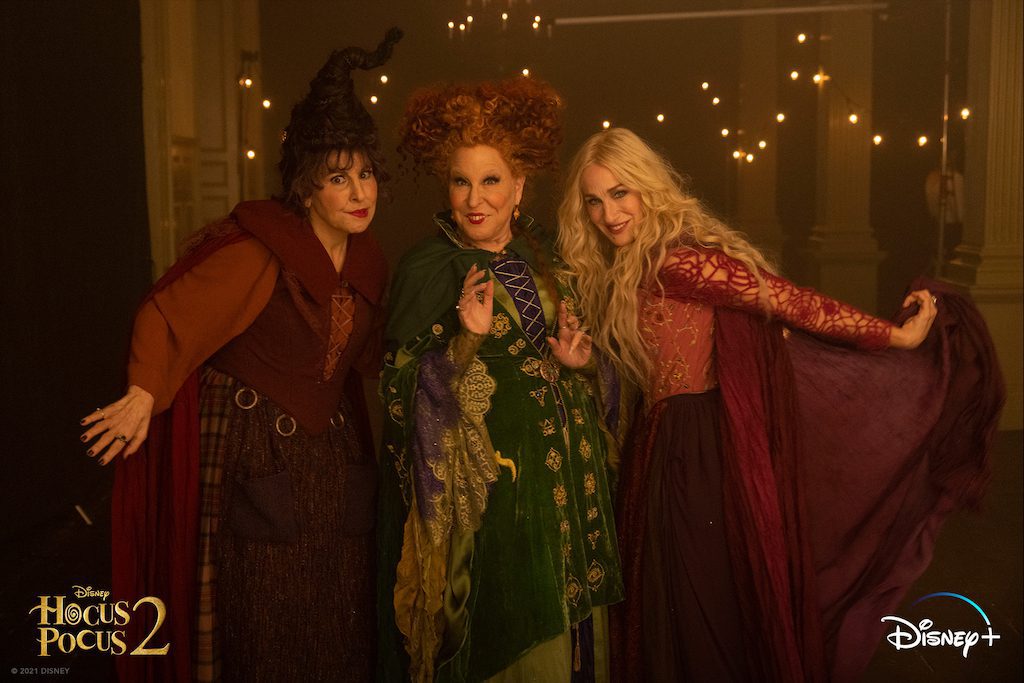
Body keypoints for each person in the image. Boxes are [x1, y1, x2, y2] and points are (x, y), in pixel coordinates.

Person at [556, 127, 1004, 682]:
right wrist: (586, 362)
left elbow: (791, 301)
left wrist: (895, 336)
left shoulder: (681, 262)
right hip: (661, 441)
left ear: (647, 187)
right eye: (594, 201)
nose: (608, 213)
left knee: (698, 601)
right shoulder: (630, 267)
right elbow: (649, 366)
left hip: (697, 446)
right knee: (677, 599)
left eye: (620, 193)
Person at [79, 29, 401, 682]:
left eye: (365, 173)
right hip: (258, 452)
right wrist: (144, 391)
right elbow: (171, 313)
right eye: (339, 178)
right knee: (263, 613)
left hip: (334, 463)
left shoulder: (370, 260)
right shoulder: (258, 248)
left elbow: (371, 356)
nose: (359, 192)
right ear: (307, 188)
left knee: (338, 614)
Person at [377, 78, 624, 682]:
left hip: (570, 487)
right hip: (499, 508)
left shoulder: (556, 257)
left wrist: (585, 363)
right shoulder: (427, 269)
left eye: (490, 181)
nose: (474, 199)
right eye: (460, 182)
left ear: (518, 186)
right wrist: (466, 339)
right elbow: (398, 394)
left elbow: (607, 367)